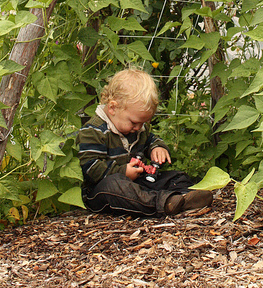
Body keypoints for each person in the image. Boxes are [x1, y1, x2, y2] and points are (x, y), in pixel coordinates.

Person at [76, 68, 213, 217]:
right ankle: (165, 203)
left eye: (143, 123)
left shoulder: (138, 129)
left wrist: (157, 147)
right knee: (115, 186)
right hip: (103, 192)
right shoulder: (93, 131)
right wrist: (123, 172)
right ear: (113, 108)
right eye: (134, 122)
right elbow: (91, 169)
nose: (138, 128)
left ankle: (184, 198)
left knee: (176, 177)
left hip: (138, 185)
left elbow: (150, 139)